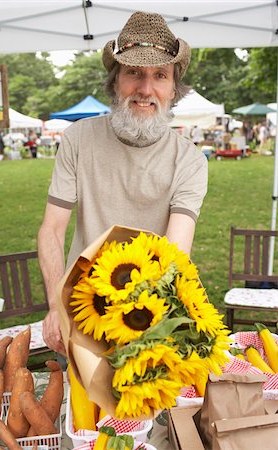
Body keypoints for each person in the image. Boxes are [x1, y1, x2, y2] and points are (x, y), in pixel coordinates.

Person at [38, 11, 208, 355]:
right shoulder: (77, 140)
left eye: (159, 75)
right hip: (82, 310)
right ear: (116, 80)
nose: (145, 89)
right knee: (79, 407)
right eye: (134, 73)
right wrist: (57, 304)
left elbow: (175, 255)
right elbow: (52, 230)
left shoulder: (189, 160)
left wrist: (143, 325)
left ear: (174, 89)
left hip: (151, 315)